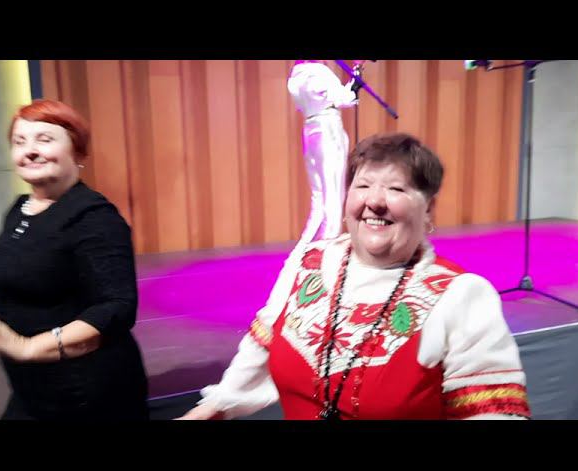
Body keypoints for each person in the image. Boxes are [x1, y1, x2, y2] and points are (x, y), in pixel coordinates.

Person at [179, 132, 531, 420]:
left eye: (396, 189)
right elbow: (261, 348)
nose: (374, 201)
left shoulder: (460, 296)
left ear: (428, 210)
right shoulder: (308, 264)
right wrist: (214, 407)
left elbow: (492, 414)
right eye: (363, 186)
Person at [0, 99, 149, 420]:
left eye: (44, 139)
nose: (30, 151)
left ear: (78, 152)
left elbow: (115, 308)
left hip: (85, 392)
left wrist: (28, 347)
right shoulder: (21, 208)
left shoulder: (94, 218)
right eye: (20, 141)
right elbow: (9, 283)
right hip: (31, 386)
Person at [288, 59, 365, 244]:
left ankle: (304, 249)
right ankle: (329, 246)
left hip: (310, 127)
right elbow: (345, 98)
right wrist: (356, 76)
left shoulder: (295, 76)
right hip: (328, 128)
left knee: (319, 196)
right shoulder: (319, 72)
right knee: (333, 193)